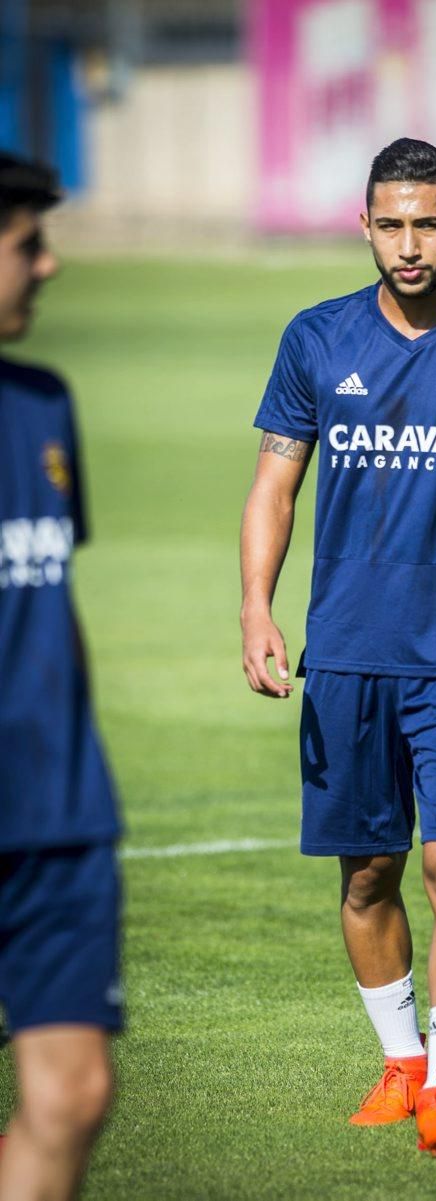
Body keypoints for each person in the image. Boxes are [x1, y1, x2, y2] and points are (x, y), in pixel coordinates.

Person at [240, 138, 436, 1157]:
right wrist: (256, 605)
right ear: (364, 225)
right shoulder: (315, 338)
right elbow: (273, 486)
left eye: (428, 222)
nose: (409, 244)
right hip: (344, 655)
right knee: (367, 876)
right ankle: (400, 1062)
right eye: (391, 224)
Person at [0, 153, 122, 1200]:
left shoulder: (42, 405)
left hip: (59, 814)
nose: (50, 263)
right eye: (25, 245)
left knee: (74, 1090)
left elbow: (50, 596)